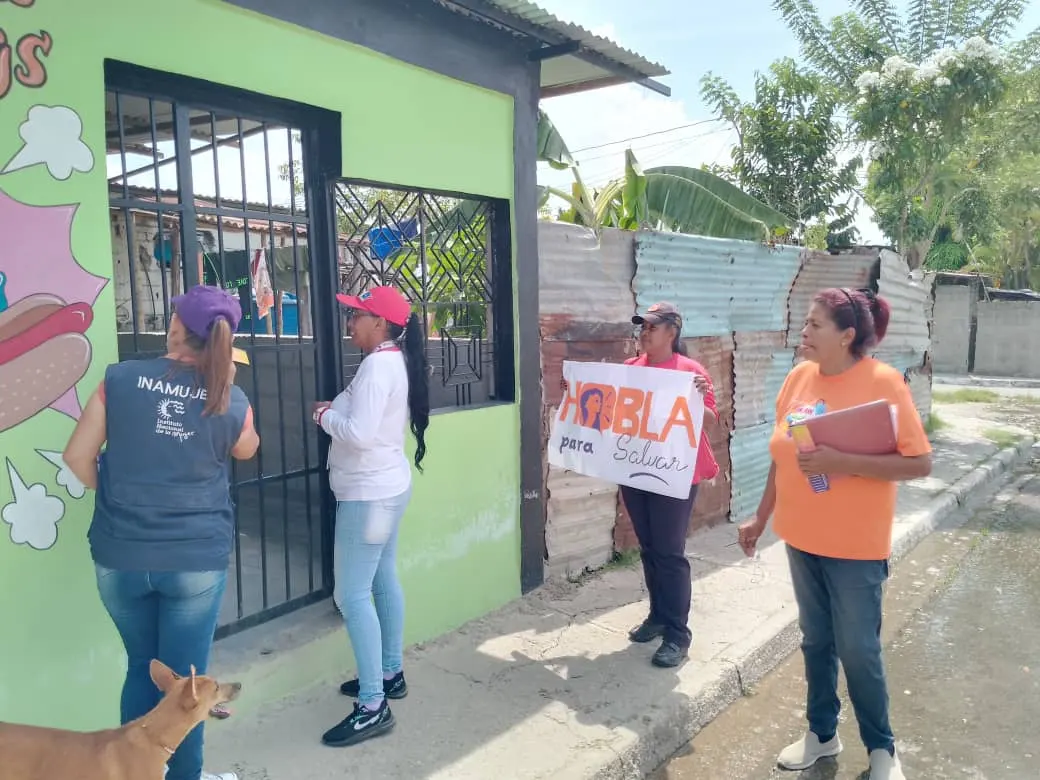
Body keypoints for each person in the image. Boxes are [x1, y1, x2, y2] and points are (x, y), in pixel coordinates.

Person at [63, 284, 260, 780]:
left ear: (175, 329)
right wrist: (225, 388)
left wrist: (109, 495)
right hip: (195, 561)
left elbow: (77, 458)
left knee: (141, 669)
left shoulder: (120, 380)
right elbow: (246, 450)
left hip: (120, 554)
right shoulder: (231, 398)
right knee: (188, 686)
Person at [737, 287, 932, 780]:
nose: (804, 332)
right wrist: (761, 518)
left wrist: (843, 462)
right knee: (815, 642)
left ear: (847, 336)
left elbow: (919, 462)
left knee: (858, 649)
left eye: (815, 325)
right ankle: (821, 735)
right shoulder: (799, 377)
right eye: (806, 323)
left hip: (856, 547)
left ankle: (882, 750)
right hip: (801, 539)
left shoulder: (883, 383)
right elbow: (784, 456)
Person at [562, 301, 719, 668]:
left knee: (669, 551)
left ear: (671, 332)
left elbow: (709, 420)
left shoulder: (691, 373)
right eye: (642, 327)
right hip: (636, 469)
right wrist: (578, 391)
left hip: (674, 472)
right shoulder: (631, 370)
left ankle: (678, 634)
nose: (644, 333)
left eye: (651, 327)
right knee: (649, 547)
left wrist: (697, 397)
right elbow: (608, 409)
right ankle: (658, 617)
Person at [312, 285, 430, 748]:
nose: (350, 322)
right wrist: (334, 409)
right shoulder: (388, 360)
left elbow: (357, 433)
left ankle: (372, 705)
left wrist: (323, 419)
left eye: (357, 314)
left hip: (368, 497)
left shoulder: (378, 366)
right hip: (387, 491)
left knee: (352, 593)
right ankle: (389, 672)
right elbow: (360, 415)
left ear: (380, 322)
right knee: (381, 578)